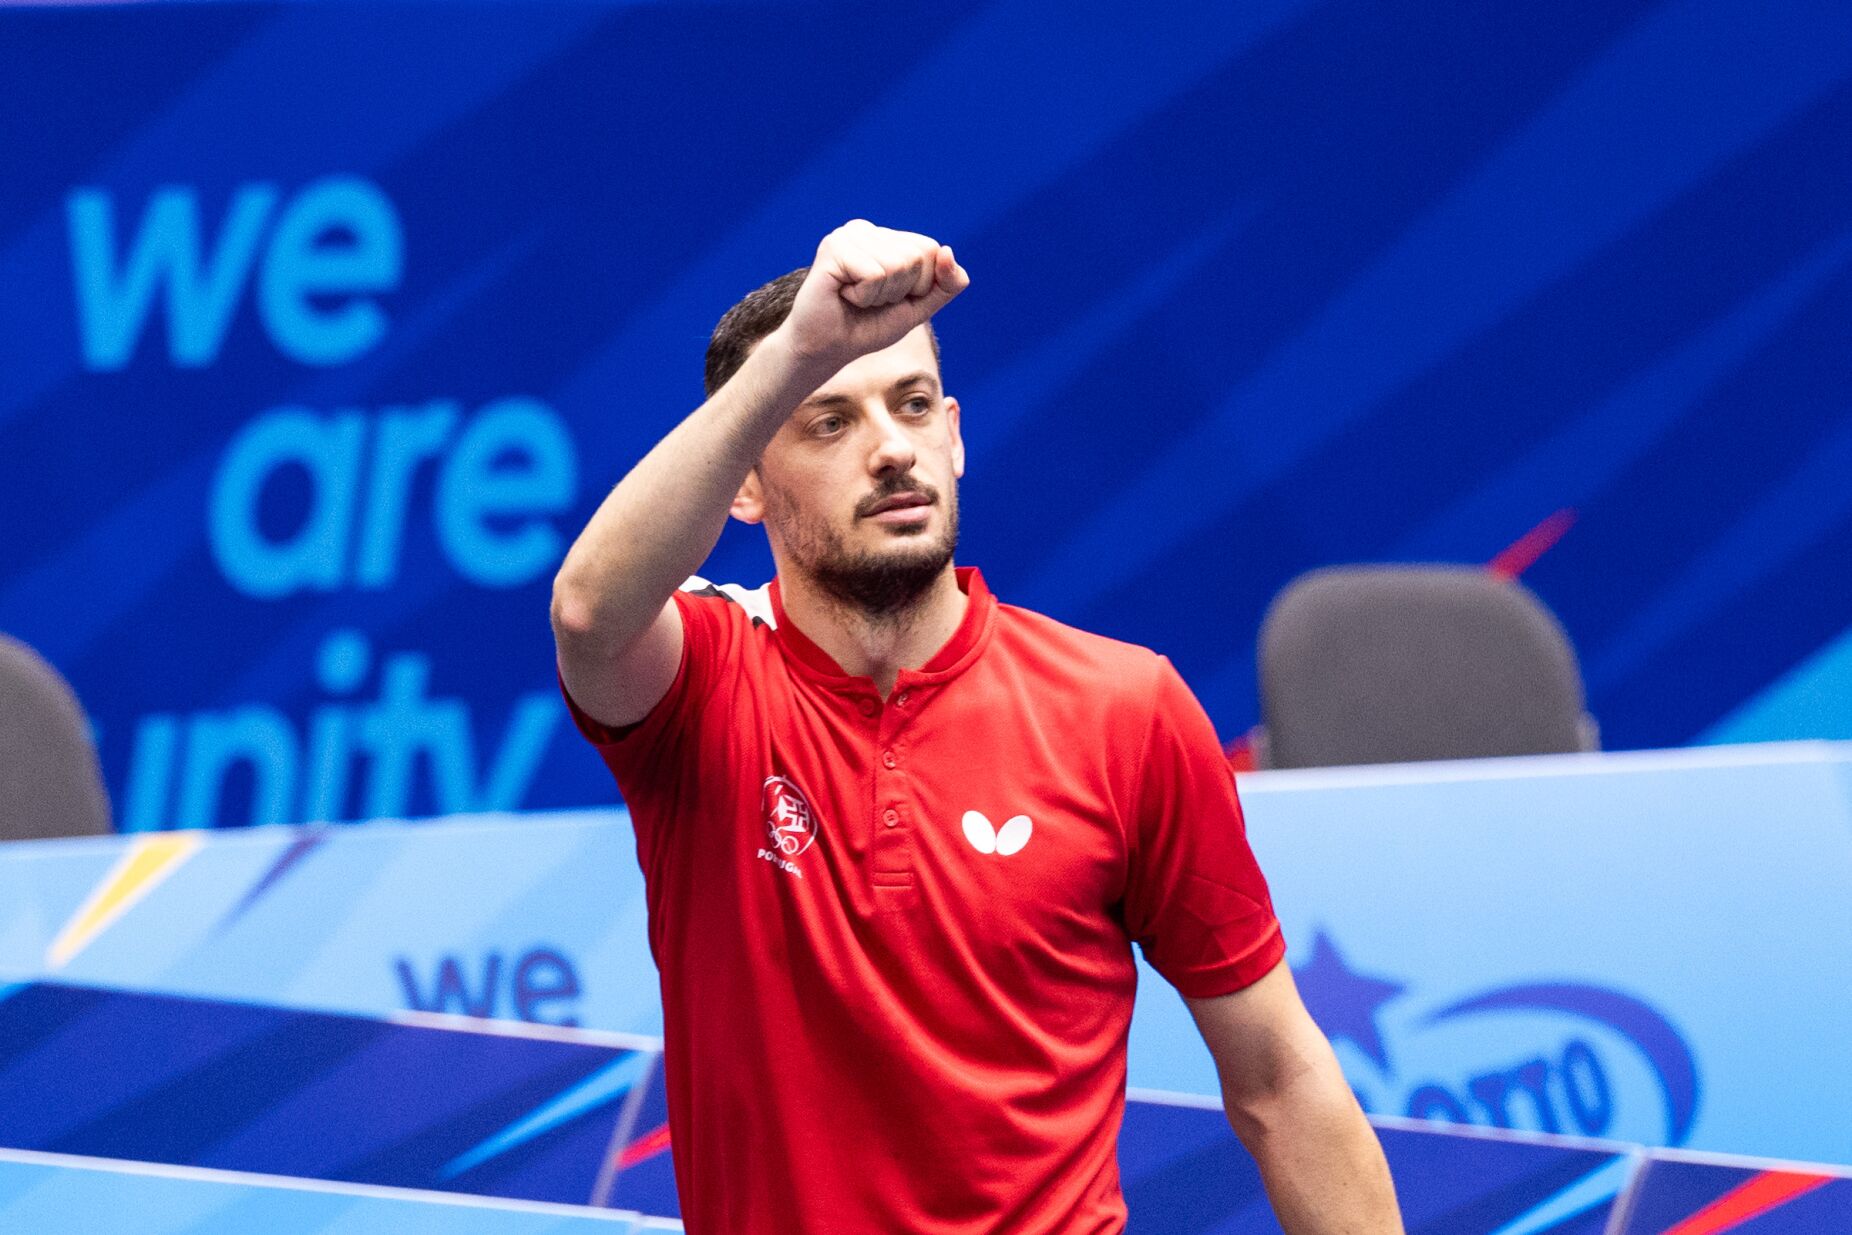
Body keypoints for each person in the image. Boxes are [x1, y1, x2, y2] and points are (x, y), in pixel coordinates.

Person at [552, 220, 1402, 1233]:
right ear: (743, 479)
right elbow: (588, 612)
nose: (891, 448)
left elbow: (1279, 1079)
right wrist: (794, 354)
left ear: (953, 433)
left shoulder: (1124, 707)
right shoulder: (701, 681)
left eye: (911, 406)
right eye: (826, 420)